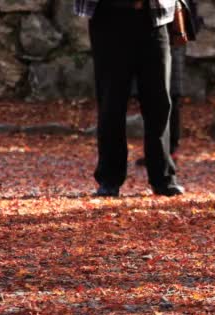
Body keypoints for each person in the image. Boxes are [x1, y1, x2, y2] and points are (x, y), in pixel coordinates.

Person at [74, 0, 184, 197]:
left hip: (154, 16)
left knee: (159, 102)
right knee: (111, 101)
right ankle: (109, 179)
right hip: (108, 15)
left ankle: (164, 178)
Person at [136, 45, 186, 166]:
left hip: (170, 45)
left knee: (169, 101)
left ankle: (169, 152)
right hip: (165, 47)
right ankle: (159, 152)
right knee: (157, 102)